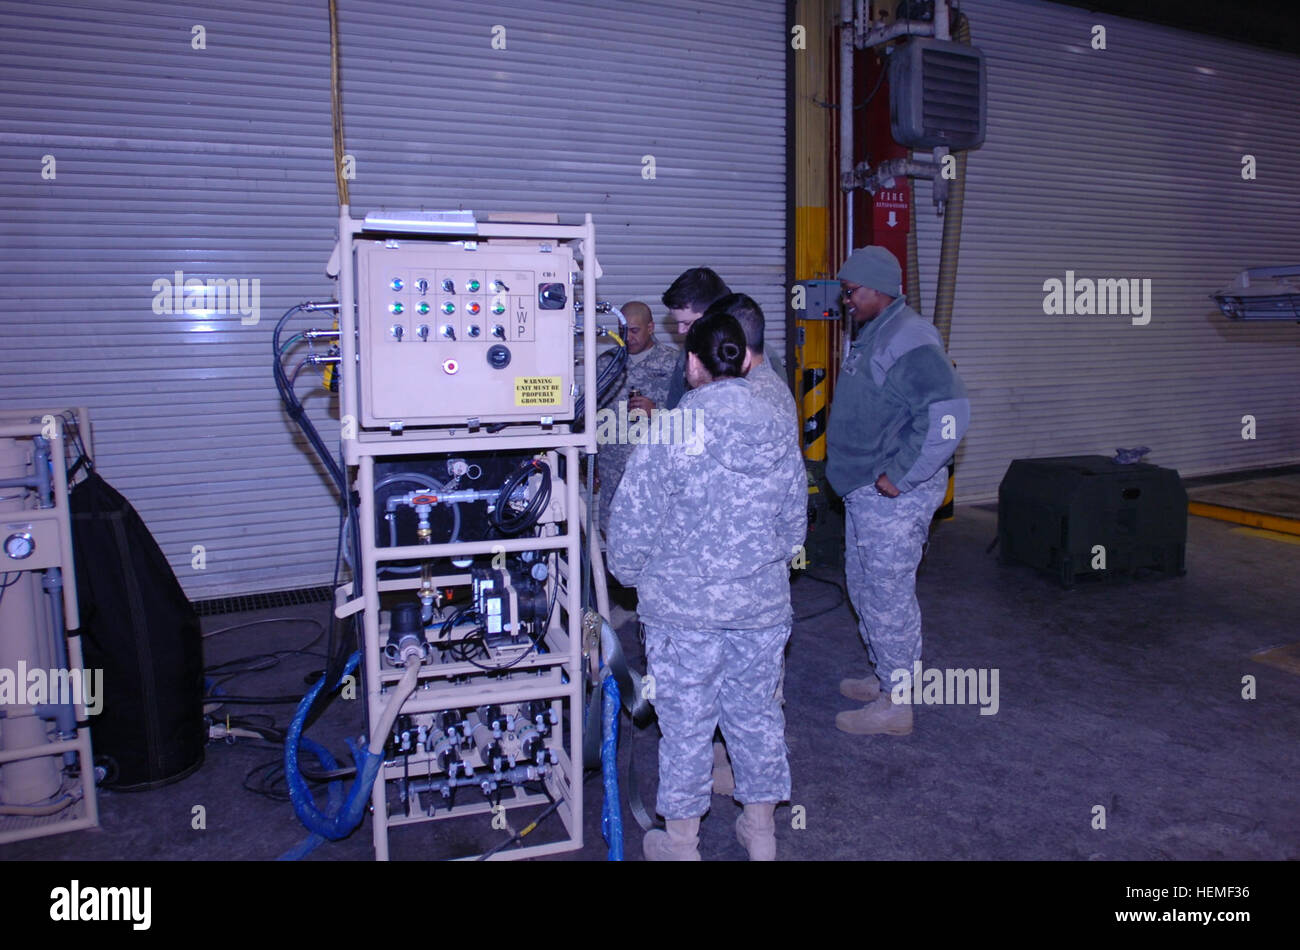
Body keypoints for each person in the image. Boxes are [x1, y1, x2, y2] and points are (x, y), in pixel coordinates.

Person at [608, 311, 807, 861]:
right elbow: (794, 530)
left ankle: (681, 843)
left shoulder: (670, 430)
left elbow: (628, 532)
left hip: (682, 614)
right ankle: (761, 836)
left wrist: (634, 578)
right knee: (757, 718)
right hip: (761, 610)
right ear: (743, 359)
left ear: (693, 364)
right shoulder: (778, 428)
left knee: (687, 728)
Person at [827, 246, 970, 736]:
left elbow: (949, 415)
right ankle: (889, 675)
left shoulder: (909, 338)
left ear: (877, 289)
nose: (845, 301)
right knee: (865, 585)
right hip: (865, 492)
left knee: (887, 594)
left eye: (850, 292)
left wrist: (902, 475)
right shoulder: (876, 332)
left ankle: (897, 704)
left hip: (891, 496)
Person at [596, 301, 679, 538]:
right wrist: (587, 459)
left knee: (656, 538)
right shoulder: (606, 363)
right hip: (613, 472)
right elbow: (591, 414)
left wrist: (657, 411)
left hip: (657, 473)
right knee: (613, 536)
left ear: (651, 328)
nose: (628, 337)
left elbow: (691, 418)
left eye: (634, 331)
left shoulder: (674, 363)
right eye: (623, 331)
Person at [660, 267, 731, 410]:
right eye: (678, 323)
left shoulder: (751, 354)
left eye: (687, 323)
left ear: (713, 315)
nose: (681, 331)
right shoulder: (687, 354)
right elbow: (674, 409)